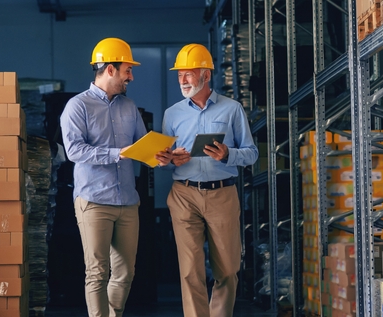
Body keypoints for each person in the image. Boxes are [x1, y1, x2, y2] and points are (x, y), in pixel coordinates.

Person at [60, 37, 172, 317]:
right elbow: (74, 151)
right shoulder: (78, 106)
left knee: (126, 271)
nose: (131, 77)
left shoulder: (129, 106)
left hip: (127, 201)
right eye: (127, 70)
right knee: (97, 271)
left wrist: (162, 155)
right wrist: (117, 153)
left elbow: (141, 146)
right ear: (110, 69)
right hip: (94, 201)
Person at [162, 43, 258, 317]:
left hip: (222, 194)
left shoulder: (232, 109)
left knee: (227, 268)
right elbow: (164, 159)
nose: (182, 80)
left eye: (189, 74)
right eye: (179, 74)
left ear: (205, 74)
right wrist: (170, 160)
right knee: (190, 270)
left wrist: (228, 154)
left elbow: (251, 153)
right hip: (184, 194)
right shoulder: (172, 114)